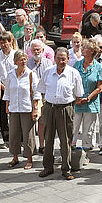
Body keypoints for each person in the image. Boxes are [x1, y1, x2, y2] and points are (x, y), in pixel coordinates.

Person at [37, 47, 84, 180]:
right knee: (48, 138)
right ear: (54, 58)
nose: (61, 61)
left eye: (64, 59)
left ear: (68, 59)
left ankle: (66, 169)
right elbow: (40, 90)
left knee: (66, 140)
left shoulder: (74, 73)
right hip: (50, 108)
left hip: (66, 109)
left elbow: (79, 95)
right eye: (58, 58)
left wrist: (68, 106)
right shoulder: (48, 72)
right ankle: (47, 167)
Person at [4, 50, 40, 170]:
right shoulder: (10, 74)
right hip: (14, 108)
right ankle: (15, 157)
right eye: (21, 59)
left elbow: (36, 93)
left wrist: (35, 109)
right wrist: (7, 106)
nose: (23, 61)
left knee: (28, 134)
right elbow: (8, 91)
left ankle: (29, 158)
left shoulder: (31, 74)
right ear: (15, 61)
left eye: (25, 58)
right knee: (14, 133)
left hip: (26, 108)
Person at [71, 39, 102, 151]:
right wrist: (76, 98)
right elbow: (71, 82)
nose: (82, 49)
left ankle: (85, 153)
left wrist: (88, 98)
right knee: (73, 128)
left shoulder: (98, 67)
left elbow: (100, 87)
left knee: (88, 130)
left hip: (91, 104)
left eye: (84, 48)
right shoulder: (77, 65)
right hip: (77, 102)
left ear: (91, 51)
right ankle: (71, 151)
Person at [0, 32, 17, 146]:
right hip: (1, 88)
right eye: (1, 43)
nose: (3, 45)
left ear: (10, 42)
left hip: (15, 88)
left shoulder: (16, 54)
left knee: (16, 113)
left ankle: (18, 138)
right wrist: (1, 85)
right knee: (3, 114)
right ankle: (6, 138)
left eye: (5, 42)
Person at [27, 39, 52, 155]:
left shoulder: (48, 63)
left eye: (38, 49)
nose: (36, 51)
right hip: (30, 96)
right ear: (31, 51)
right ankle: (31, 147)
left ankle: (42, 145)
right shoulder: (27, 63)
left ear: (42, 50)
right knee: (31, 123)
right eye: (34, 50)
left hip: (45, 96)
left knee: (43, 122)